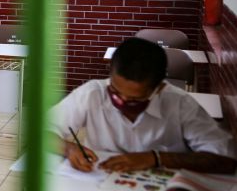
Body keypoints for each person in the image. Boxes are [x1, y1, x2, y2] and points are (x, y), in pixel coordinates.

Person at [50, 37, 236, 174]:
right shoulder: (93, 93)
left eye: (134, 99)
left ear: (159, 88)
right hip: (100, 186)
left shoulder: (179, 103)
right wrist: (69, 148)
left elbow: (226, 159)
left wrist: (156, 158)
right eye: (115, 91)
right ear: (110, 75)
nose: (121, 101)